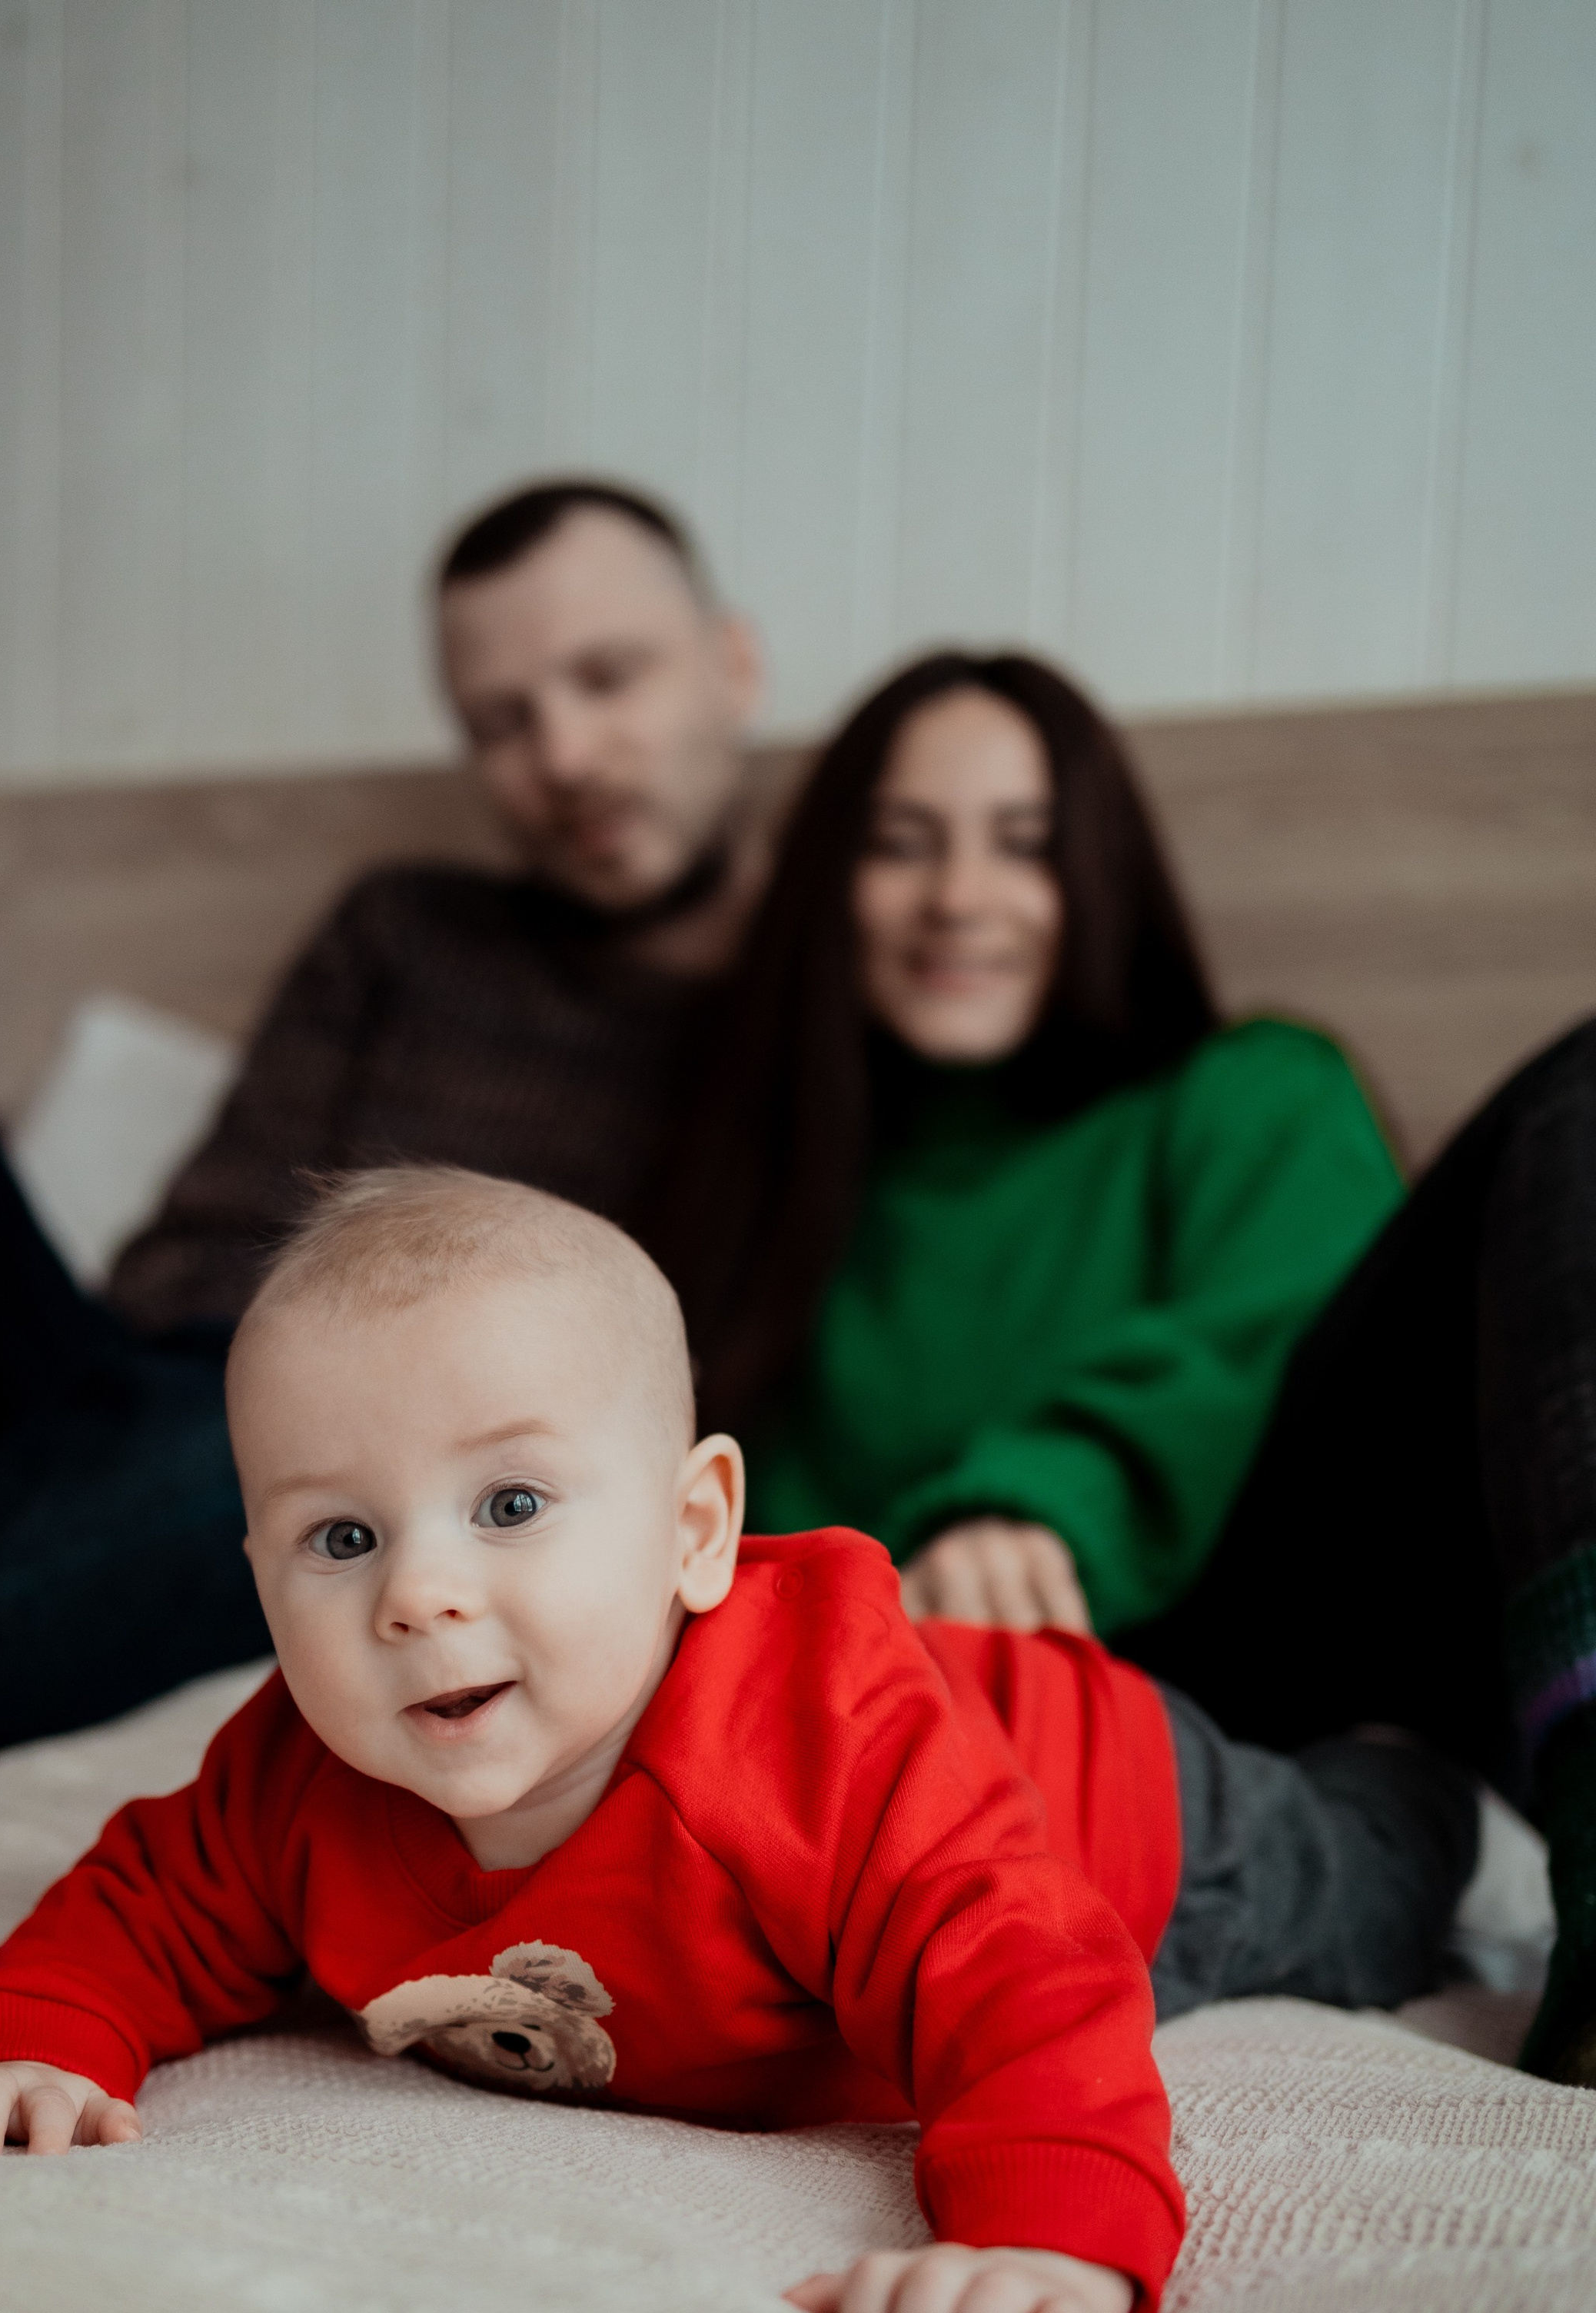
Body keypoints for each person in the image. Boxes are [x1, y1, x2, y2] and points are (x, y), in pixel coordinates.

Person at [0, 1167, 1480, 2313]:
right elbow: (144, 1906)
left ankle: (1406, 1756)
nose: (417, 1595)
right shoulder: (294, 1780)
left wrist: (1047, 2234)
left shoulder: (811, 1753)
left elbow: (1018, 1968)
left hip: (1131, 1817)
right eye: (339, 1537)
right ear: (258, 1577)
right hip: (994, 1795)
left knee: (1370, 1887)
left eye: (509, 1505)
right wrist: (40, 2041)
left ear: (696, 1530)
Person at [0, 479, 764, 1822]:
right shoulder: (403, 926)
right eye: (502, 723)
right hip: (142, 1380)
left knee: (266, 1480)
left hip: (319, 1490)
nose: (563, 755)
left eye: (609, 679)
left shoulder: (807, 1013)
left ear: (733, 665)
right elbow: (199, 1249)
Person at [649, 649, 1596, 2088]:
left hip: (1289, 1642)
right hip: (993, 1733)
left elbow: (1264, 1336)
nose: (961, 897)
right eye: (902, 844)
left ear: (1099, 876)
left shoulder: (1251, 1092)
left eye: (1025, 845)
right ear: (827, 887)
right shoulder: (765, 1215)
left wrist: (1033, 1499)